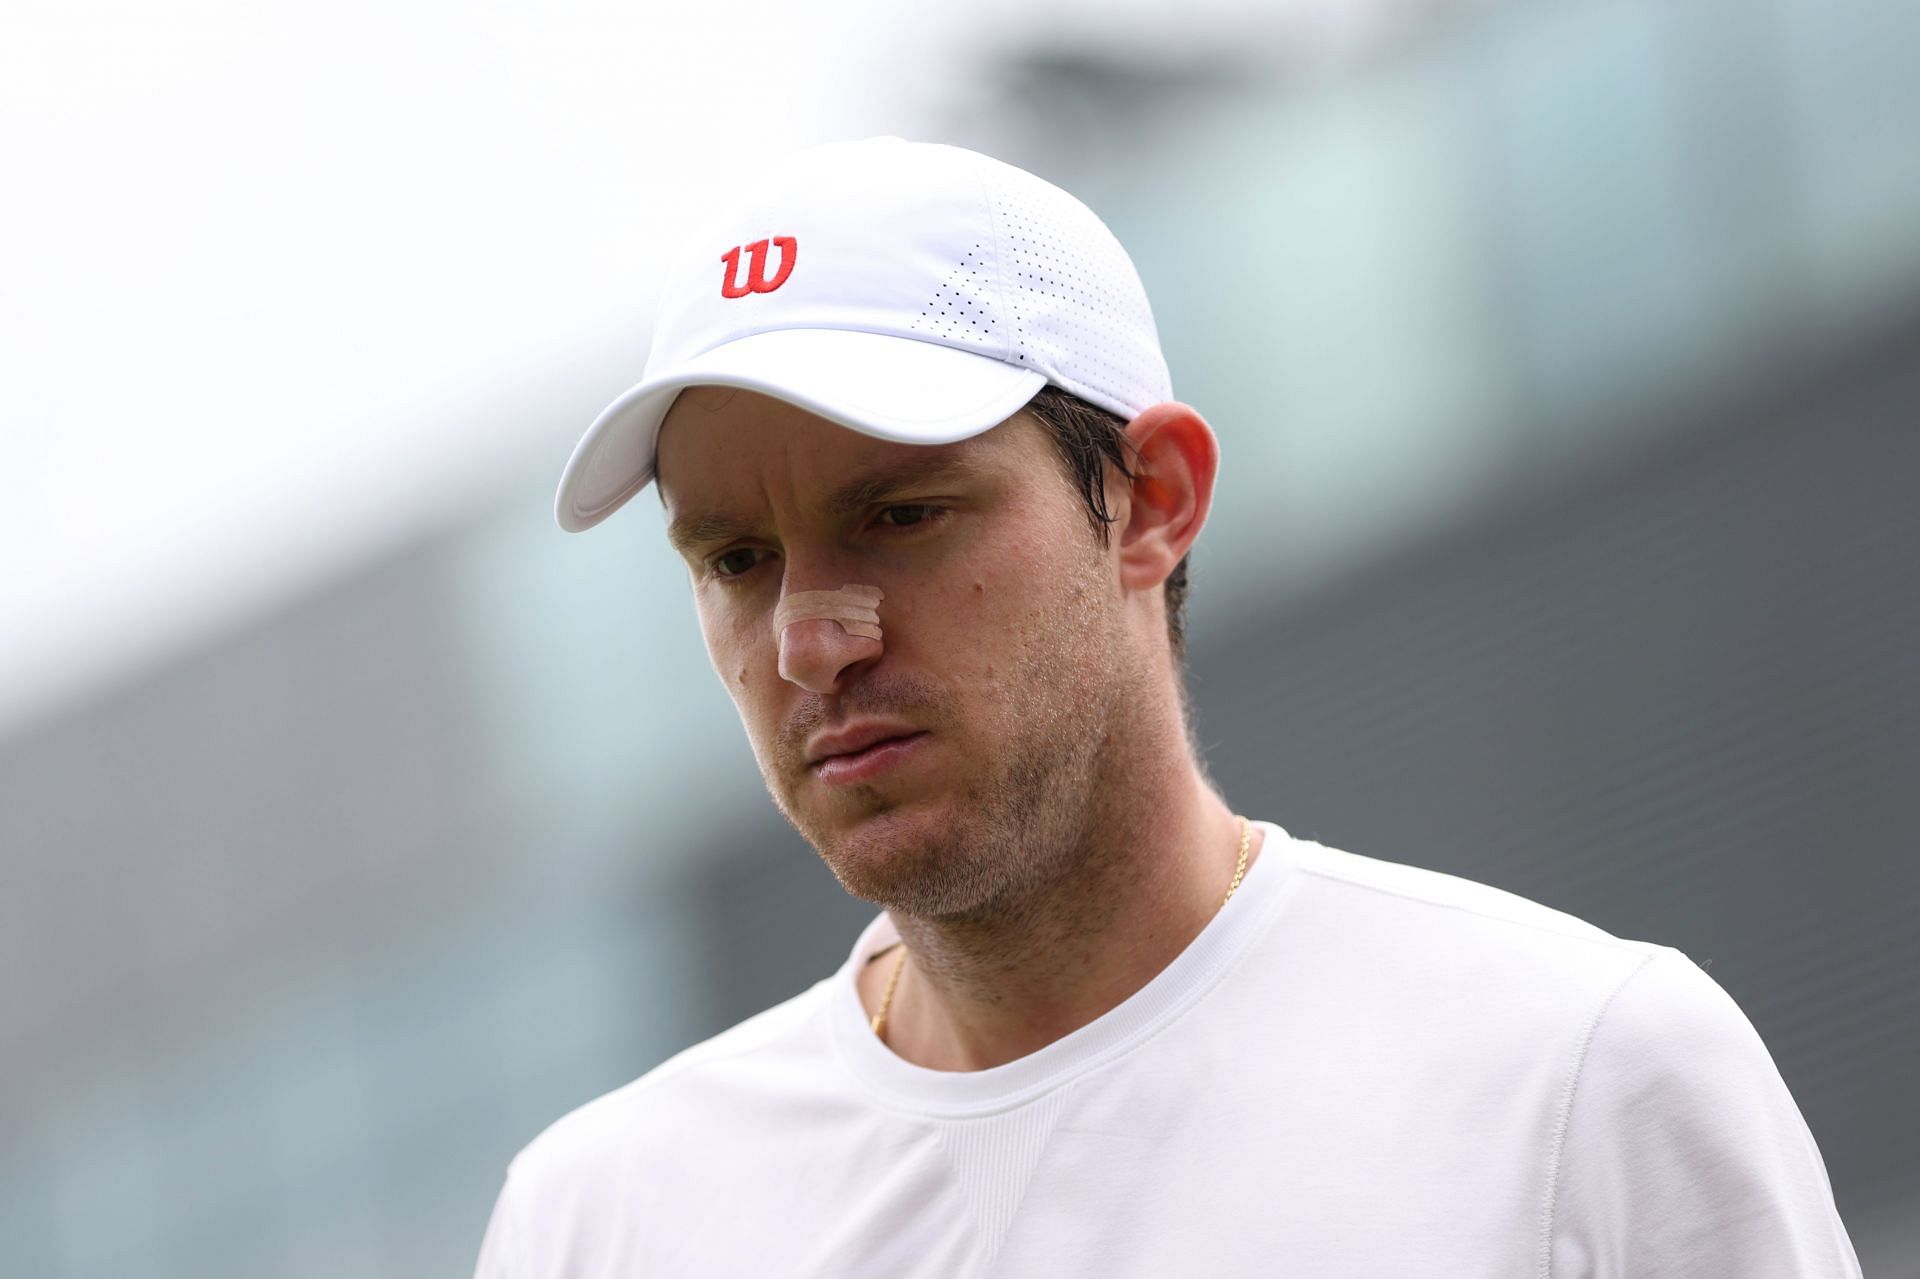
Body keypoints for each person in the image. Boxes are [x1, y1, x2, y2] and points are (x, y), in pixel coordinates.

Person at [473, 137, 1861, 1277]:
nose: (811, 642)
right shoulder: (602, 1228)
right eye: (735, 560)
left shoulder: (1574, 1080)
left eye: (901, 513)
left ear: (1152, 502)